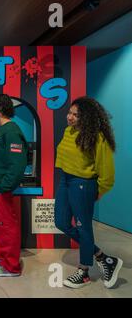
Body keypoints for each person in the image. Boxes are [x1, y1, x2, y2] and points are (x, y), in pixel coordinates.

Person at [55, 96, 122, 289]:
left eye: (76, 115)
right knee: (60, 221)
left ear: (87, 118)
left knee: (84, 227)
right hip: (66, 180)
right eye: (70, 113)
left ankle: (84, 272)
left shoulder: (98, 138)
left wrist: (99, 191)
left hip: (84, 184)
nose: (70, 117)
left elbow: (107, 171)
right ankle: (104, 258)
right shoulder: (69, 131)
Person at [0, 94, 27, 277]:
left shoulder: (11, 131)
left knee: (6, 226)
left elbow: (18, 164)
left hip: (0, 188)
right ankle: (2, 257)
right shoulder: (2, 130)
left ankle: (11, 267)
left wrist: (3, 186)